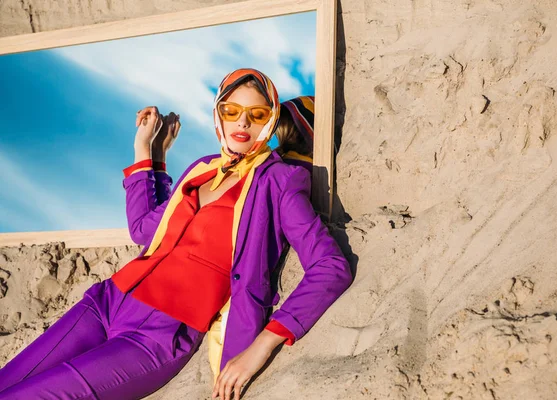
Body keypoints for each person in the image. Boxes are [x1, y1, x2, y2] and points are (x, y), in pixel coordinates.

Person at [0, 68, 352, 400]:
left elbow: (330, 266)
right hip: (107, 301)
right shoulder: (202, 167)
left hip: (158, 337)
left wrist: (263, 344)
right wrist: (148, 150)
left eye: (257, 114)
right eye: (232, 110)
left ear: (270, 120)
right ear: (219, 113)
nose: (243, 121)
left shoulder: (278, 181)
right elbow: (143, 230)